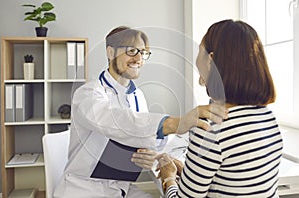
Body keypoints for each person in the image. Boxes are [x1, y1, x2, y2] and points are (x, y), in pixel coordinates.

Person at [54, 26, 227, 198]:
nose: (139, 59)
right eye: (131, 51)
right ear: (110, 52)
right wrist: (174, 123)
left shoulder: (137, 96)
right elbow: (114, 121)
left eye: (143, 53)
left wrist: (153, 155)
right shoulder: (88, 93)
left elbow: (144, 137)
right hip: (85, 189)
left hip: (121, 187)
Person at [156, 19, 283, 198]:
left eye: (199, 52)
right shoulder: (267, 117)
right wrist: (189, 174)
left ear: (211, 60)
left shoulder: (211, 127)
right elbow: (234, 183)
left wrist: (168, 177)